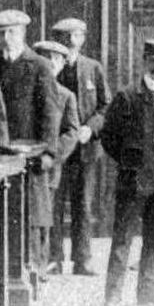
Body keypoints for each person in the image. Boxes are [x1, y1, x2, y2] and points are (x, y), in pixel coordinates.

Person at [100, 39, 154, 306]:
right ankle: (112, 295)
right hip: (133, 182)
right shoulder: (127, 96)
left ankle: (147, 291)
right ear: (144, 61)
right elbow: (109, 137)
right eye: (153, 60)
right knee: (122, 239)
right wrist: (130, 162)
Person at [0, 9, 61, 273]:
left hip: (31, 155)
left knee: (32, 214)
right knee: (2, 214)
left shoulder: (39, 65)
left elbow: (51, 112)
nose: (6, 38)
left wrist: (49, 152)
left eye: (12, 32)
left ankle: (34, 271)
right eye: (1, 33)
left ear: (23, 34)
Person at [47, 17, 111, 276]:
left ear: (82, 39)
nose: (70, 43)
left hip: (86, 149)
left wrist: (90, 128)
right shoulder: (50, 68)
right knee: (54, 204)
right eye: (64, 38)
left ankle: (82, 259)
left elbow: (106, 107)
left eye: (75, 37)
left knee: (83, 205)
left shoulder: (93, 68)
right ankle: (53, 258)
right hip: (59, 148)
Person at [32, 40, 81, 283]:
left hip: (47, 169)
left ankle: (41, 265)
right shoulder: (29, 90)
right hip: (24, 165)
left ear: (62, 64)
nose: (51, 63)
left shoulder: (65, 95)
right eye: (45, 57)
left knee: (43, 217)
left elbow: (72, 132)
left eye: (57, 59)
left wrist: (51, 156)